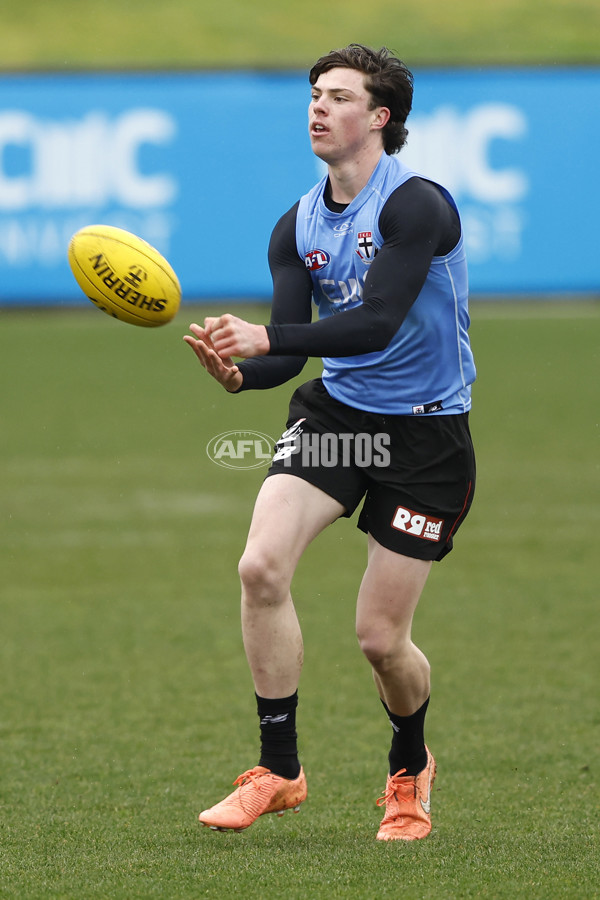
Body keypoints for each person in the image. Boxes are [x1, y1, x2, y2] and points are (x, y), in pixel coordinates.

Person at [183, 43, 476, 841]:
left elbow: (375, 323)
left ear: (380, 118)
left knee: (382, 641)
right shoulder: (297, 224)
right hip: (339, 419)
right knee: (259, 565)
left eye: (340, 97)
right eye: (314, 94)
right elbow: (292, 357)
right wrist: (244, 372)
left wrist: (267, 331)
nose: (319, 107)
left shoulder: (417, 206)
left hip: (425, 436)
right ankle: (279, 770)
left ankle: (409, 769)